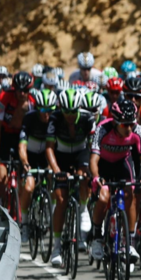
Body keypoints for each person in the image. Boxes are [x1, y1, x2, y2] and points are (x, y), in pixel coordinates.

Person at [88, 99, 141, 264]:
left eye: (131, 123)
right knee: (103, 197)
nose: (129, 128)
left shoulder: (138, 130)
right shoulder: (103, 129)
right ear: (115, 122)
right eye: (124, 125)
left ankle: (129, 241)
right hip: (103, 165)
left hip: (123, 162)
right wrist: (96, 177)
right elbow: (93, 159)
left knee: (131, 194)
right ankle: (97, 237)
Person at [46, 89, 95, 268]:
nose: (69, 115)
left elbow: (93, 147)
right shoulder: (55, 118)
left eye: (73, 112)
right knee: (61, 200)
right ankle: (56, 247)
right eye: (66, 111)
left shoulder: (88, 118)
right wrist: (57, 171)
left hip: (81, 152)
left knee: (83, 177)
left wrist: (91, 169)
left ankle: (83, 209)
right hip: (61, 155)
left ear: (79, 109)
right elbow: (49, 147)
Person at [17, 89, 58, 241]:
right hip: (31, 157)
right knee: (28, 187)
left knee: (55, 182)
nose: (46, 115)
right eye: (42, 110)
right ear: (36, 108)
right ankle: (24, 224)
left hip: (48, 158)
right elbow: (22, 146)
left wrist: (53, 166)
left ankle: (51, 216)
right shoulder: (29, 118)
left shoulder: (57, 119)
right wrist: (25, 163)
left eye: (50, 111)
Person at [0, 72, 35, 207]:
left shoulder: (33, 101)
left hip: (23, 136)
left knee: (23, 176)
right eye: (19, 90)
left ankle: (20, 209)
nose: (22, 94)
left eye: (25, 91)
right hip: (5, 134)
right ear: (13, 88)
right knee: (1, 177)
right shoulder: (4, 97)